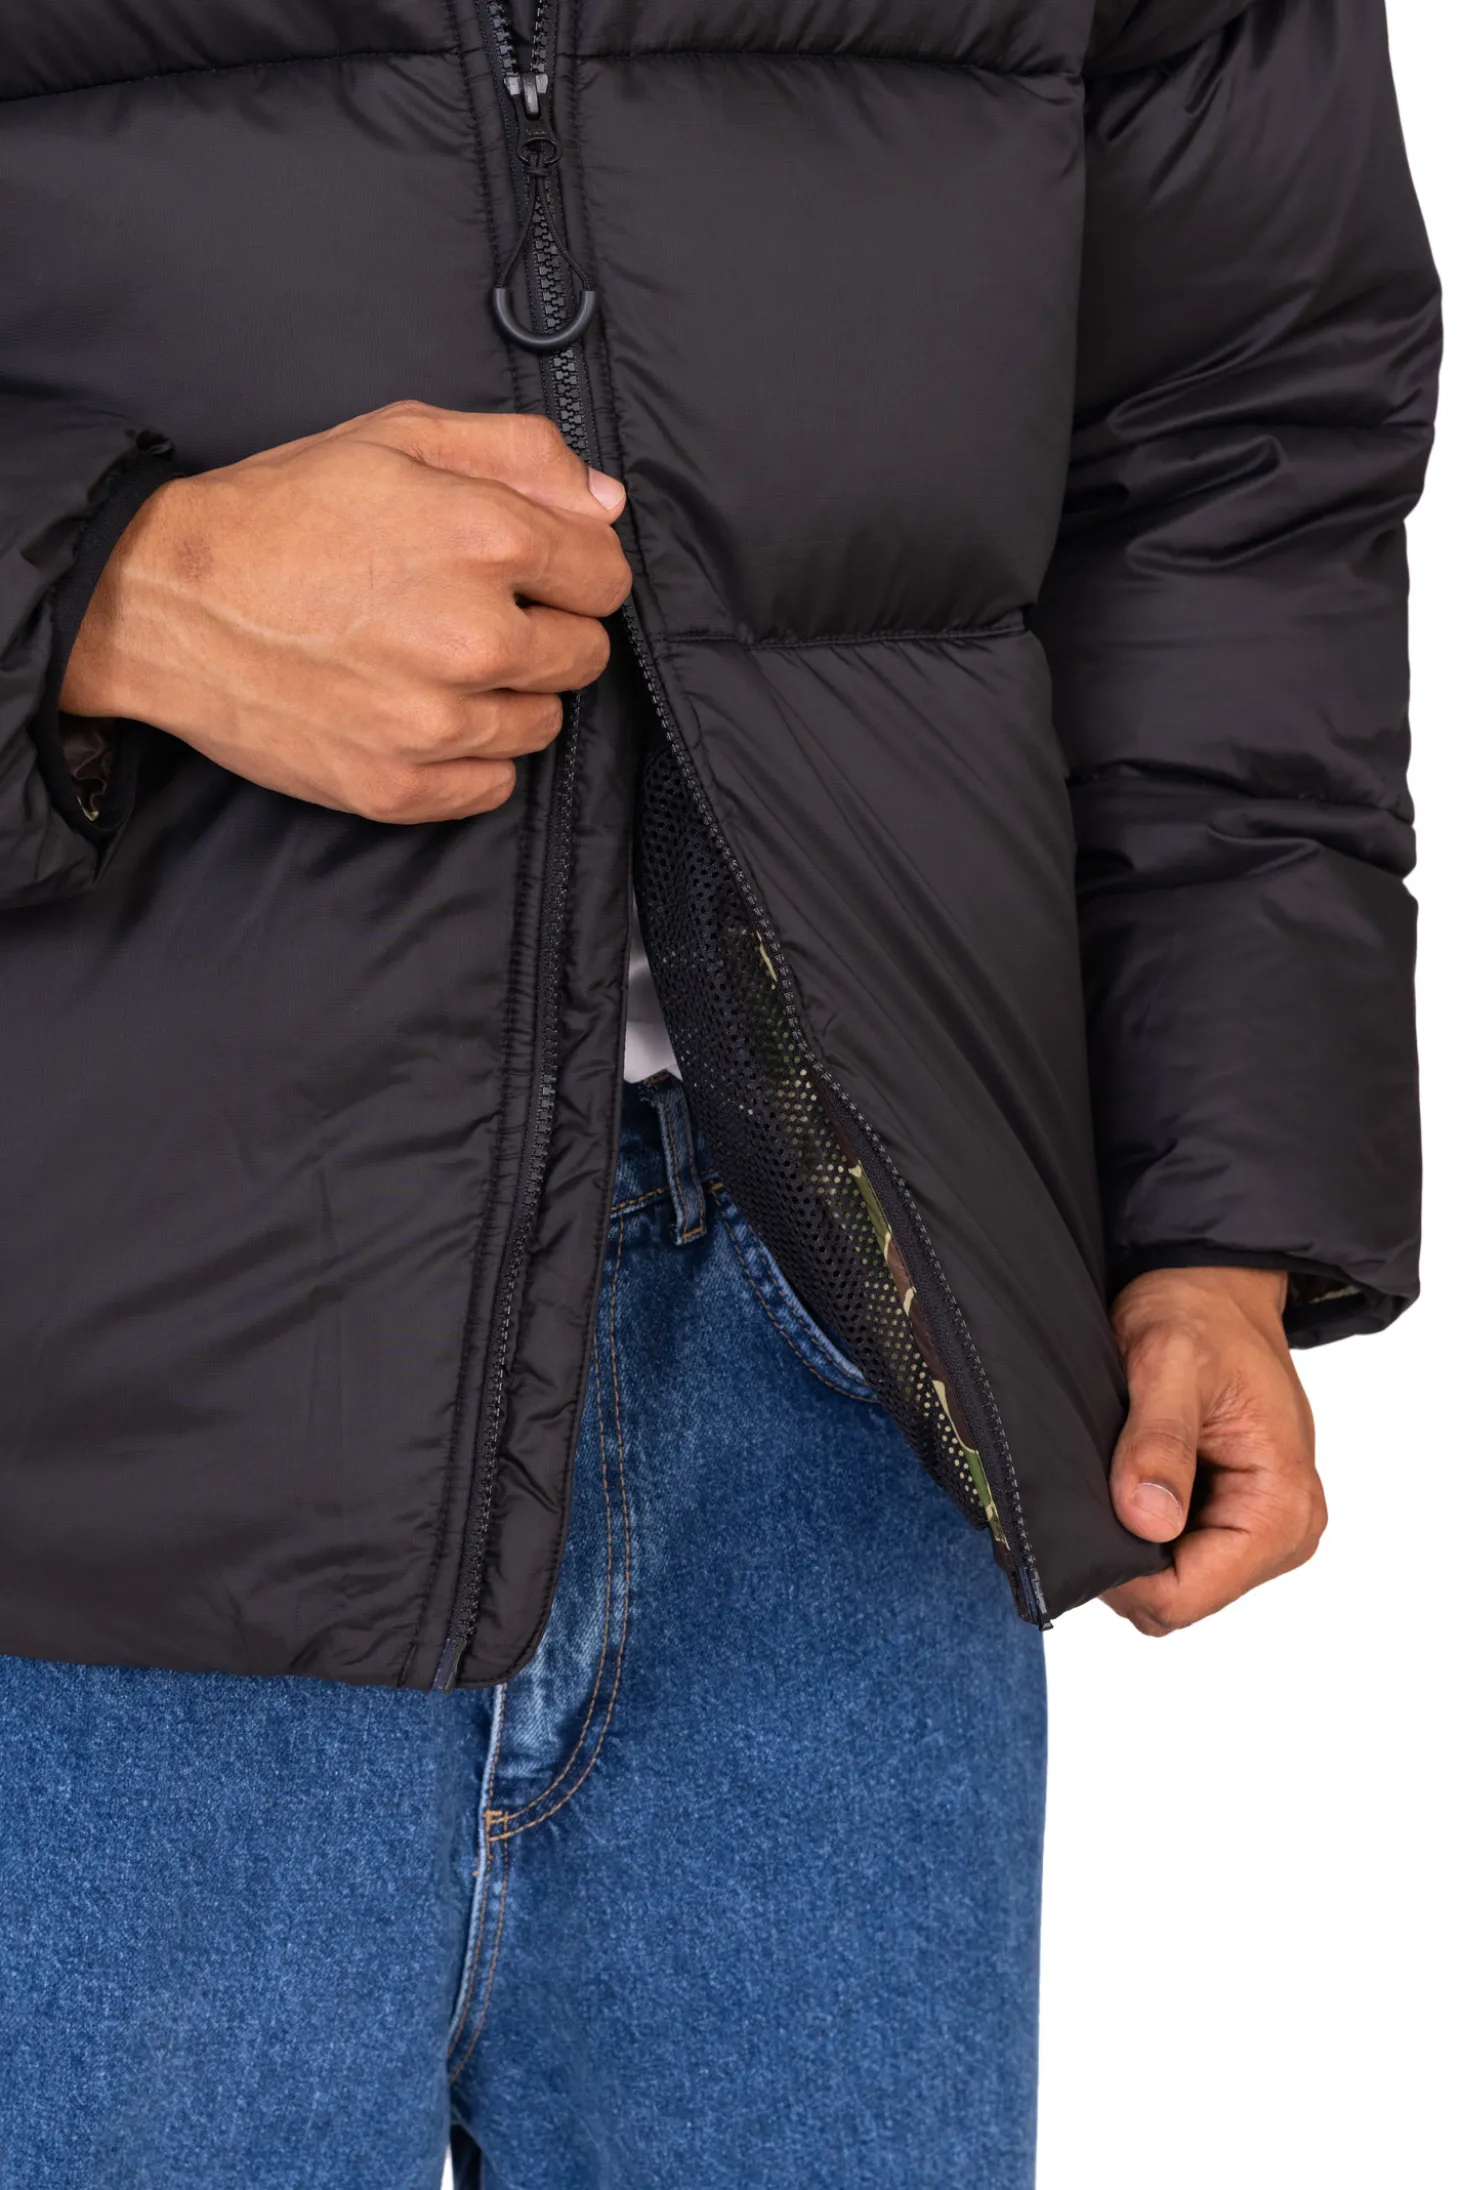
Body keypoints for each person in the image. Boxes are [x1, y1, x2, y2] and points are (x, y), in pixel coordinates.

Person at [0, 3, 1439, 2184]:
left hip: (858, 1349)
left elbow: (1238, 432)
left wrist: (1213, 1209)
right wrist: (98, 596)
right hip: (91, 1378)